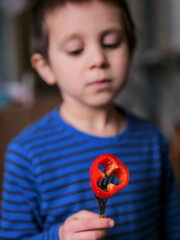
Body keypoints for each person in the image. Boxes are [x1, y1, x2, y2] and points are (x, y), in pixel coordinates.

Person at [0, 0, 180, 239]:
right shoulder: (26, 153)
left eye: (111, 43)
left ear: (132, 47)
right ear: (45, 67)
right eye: (75, 50)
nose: (98, 59)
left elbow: (172, 226)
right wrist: (59, 236)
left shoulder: (153, 140)